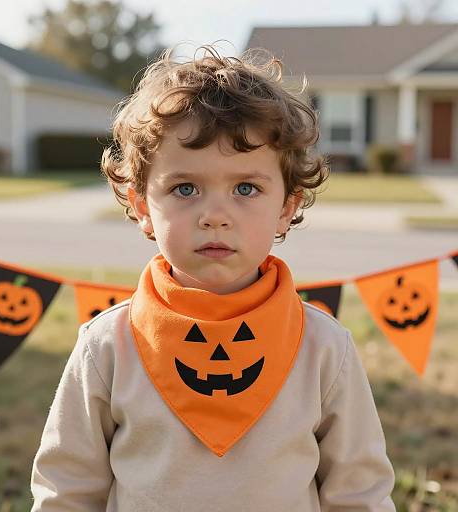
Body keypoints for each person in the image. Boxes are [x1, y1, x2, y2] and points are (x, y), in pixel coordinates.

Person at [30, 43, 396, 511]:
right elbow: (67, 491)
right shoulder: (108, 347)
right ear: (143, 206)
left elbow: (359, 495)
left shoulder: (324, 349)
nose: (215, 215)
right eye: (185, 188)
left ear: (287, 207)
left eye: (246, 187)